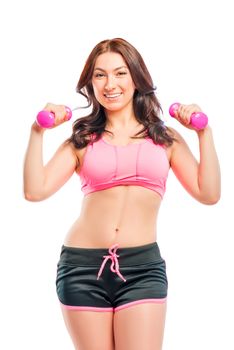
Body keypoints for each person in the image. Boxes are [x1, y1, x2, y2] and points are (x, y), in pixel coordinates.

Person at [23, 38, 221, 350]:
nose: (109, 84)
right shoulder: (83, 139)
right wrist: (37, 132)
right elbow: (35, 191)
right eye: (100, 75)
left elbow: (208, 193)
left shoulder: (165, 138)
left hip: (143, 268)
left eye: (120, 73)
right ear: (91, 83)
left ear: (136, 78)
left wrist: (203, 133)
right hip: (82, 268)